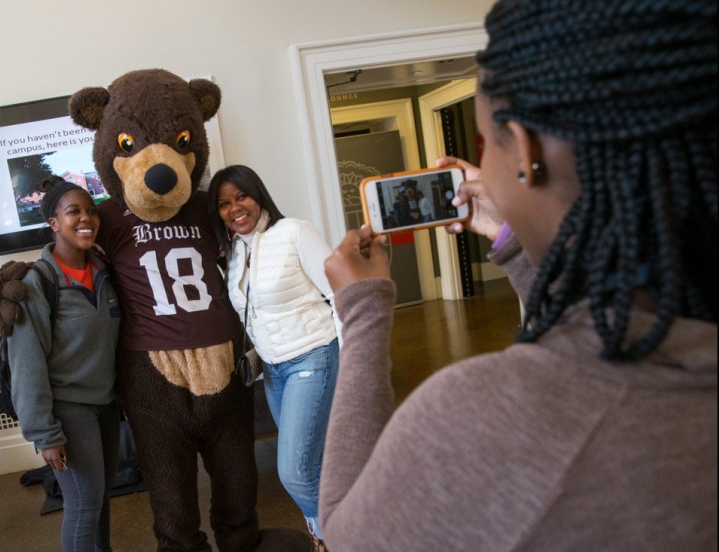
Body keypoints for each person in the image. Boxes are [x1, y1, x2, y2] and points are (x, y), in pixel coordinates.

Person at [319, 0, 717, 550]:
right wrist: (517, 244)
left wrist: (362, 312)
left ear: (526, 147)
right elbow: (589, 329)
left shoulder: (486, 415)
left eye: (489, 145)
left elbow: (346, 535)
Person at [208, 165, 340, 551]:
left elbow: (340, 292)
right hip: (274, 370)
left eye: (241, 197)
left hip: (312, 357)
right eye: (224, 204)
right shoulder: (233, 251)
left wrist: (353, 360)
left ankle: (338, 535)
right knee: (312, 464)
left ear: (258, 195)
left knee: (295, 472)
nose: (235, 209)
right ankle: (327, 537)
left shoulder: (295, 232)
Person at [7, 176, 122, 552]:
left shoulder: (104, 270)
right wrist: (45, 434)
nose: (86, 218)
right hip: (67, 409)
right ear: (54, 223)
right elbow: (27, 365)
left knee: (101, 497)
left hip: (104, 405)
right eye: (73, 212)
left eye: (91, 211)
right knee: (83, 503)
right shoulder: (36, 282)